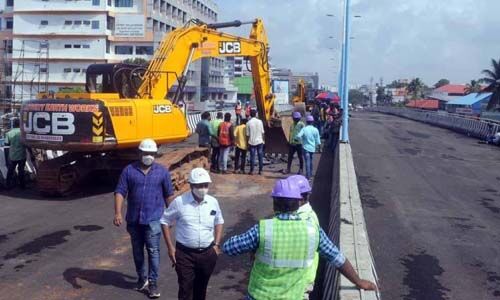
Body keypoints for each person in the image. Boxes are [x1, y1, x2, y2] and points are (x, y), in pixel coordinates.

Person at [222, 179, 377, 300]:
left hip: (260, 296)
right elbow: (337, 258)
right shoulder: (312, 230)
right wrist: (358, 281)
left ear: (275, 203)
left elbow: (229, 247)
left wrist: (255, 246)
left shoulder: (262, 229)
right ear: (298, 203)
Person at [113, 138, 174, 298]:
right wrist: (118, 212)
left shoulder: (162, 172)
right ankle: (142, 278)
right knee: (137, 252)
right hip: (133, 220)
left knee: (153, 251)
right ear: (139, 153)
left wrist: (172, 216)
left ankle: (153, 283)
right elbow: (120, 191)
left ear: (155, 154)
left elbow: (169, 195)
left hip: (153, 220)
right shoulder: (129, 171)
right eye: (145, 153)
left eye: (151, 153)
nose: (149, 156)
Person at [161, 168, 224, 300]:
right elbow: (164, 221)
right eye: (199, 185)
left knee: (201, 289)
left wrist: (216, 245)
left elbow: (219, 221)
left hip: (208, 253)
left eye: (205, 185)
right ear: (191, 185)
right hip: (185, 255)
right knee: (185, 289)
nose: (203, 188)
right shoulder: (179, 202)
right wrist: (170, 248)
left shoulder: (213, 202)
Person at [287, 175, 319, 297]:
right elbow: (332, 253)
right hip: (302, 279)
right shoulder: (310, 215)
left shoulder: (301, 220)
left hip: (298, 282)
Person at [5, 118, 27, 189]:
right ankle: (22, 186)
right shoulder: (23, 133)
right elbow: (27, 144)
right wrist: (31, 153)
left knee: (10, 171)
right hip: (22, 155)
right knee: (21, 170)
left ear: (13, 124)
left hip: (12, 156)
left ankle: (8, 185)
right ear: (20, 124)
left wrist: (7, 158)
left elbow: (6, 145)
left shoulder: (8, 133)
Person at [297, 115, 321, 180]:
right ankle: (310, 174)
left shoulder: (304, 129)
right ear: (312, 122)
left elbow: (298, 136)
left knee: (307, 162)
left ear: (307, 122)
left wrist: (301, 141)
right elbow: (318, 140)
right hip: (312, 148)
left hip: (305, 148)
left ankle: (308, 177)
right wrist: (319, 148)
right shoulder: (315, 130)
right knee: (310, 161)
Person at [246, 109, 265, 175]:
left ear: (250, 115)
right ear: (256, 114)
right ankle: (260, 170)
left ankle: (252, 171)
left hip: (252, 142)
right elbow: (262, 132)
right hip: (260, 141)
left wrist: (247, 143)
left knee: (252, 156)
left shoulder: (248, 123)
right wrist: (263, 140)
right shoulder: (260, 122)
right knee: (260, 156)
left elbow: (247, 135)